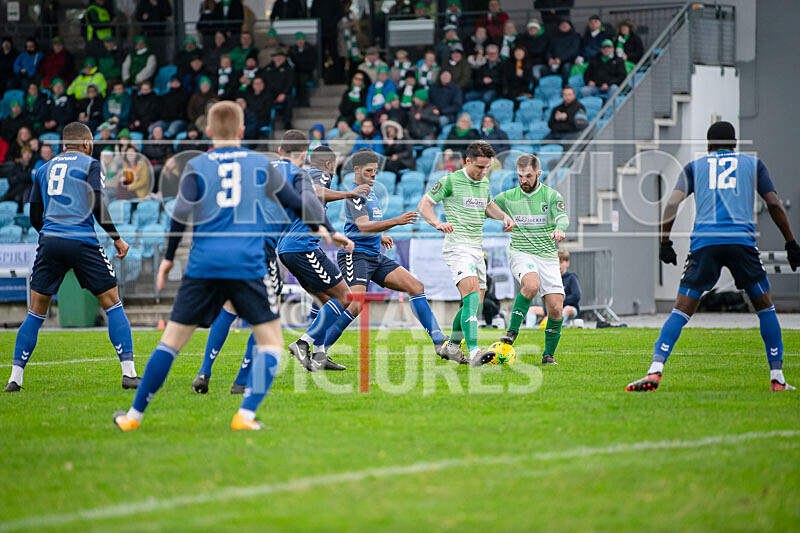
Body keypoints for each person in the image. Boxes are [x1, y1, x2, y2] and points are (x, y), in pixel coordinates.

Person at [112, 102, 326, 431]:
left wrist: (168, 258)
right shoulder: (260, 162)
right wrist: (327, 230)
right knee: (271, 342)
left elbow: (180, 213)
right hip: (246, 261)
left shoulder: (197, 164)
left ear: (209, 132)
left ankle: (133, 418)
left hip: (204, 264)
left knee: (170, 342)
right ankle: (246, 415)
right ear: (242, 131)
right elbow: (296, 202)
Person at [626, 121, 800, 393]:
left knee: (681, 309)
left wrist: (664, 242)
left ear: (709, 146)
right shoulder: (753, 165)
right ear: (735, 144)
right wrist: (791, 242)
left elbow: (672, 203)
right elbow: (774, 204)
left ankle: (655, 369)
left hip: (705, 243)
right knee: (765, 306)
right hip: (741, 242)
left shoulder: (695, 167)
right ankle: (777, 377)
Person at [4, 122, 138, 393]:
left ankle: (15, 378)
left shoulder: (43, 169)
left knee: (35, 311)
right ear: (87, 143)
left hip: (50, 240)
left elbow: (33, 215)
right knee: (112, 304)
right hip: (81, 241)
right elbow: (97, 204)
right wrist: (117, 238)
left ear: (64, 144)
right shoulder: (90, 165)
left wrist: (53, 236)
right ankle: (129, 373)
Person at [322, 148, 460, 361]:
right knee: (355, 304)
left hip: (373, 254)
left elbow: (370, 224)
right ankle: (320, 350)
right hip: (356, 254)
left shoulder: (371, 190)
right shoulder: (356, 194)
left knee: (415, 286)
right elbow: (363, 226)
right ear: (356, 170)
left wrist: (381, 235)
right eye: (369, 170)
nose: (374, 174)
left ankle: (438, 341)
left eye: (376, 170)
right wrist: (396, 221)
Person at [417, 140, 514, 366]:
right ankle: (473, 352)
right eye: (480, 167)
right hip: (457, 247)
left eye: (487, 167)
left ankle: (451, 346)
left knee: (475, 302)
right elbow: (424, 205)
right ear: (467, 161)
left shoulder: (484, 182)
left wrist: (504, 216)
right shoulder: (450, 181)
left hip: (476, 248)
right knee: (470, 294)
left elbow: (487, 205)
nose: (483, 172)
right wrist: (436, 223)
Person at [493, 154, 569, 365]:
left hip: (547, 255)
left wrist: (560, 229)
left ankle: (548, 355)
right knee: (532, 284)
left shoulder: (551, 195)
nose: (524, 180)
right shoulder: (509, 196)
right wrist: (502, 216)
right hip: (521, 251)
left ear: (538, 173)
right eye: (520, 176)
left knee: (555, 308)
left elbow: (562, 217)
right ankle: (512, 332)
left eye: (528, 176)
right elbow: (489, 207)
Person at [262, 48, 295, 129]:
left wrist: (283, 93)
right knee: (264, 99)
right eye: (276, 56)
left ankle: (287, 123)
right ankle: (265, 122)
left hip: (283, 94)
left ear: (284, 58)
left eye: (280, 56)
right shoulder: (267, 69)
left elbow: (290, 83)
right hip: (269, 94)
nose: (278, 58)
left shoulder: (288, 69)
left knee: (288, 100)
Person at [547, 19, 580, 83]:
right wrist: (549, 58)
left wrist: (560, 58)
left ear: (570, 27)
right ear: (559, 27)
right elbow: (548, 50)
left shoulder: (575, 36)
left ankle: (565, 88)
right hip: (554, 63)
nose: (564, 26)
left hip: (569, 62)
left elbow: (573, 50)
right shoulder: (554, 37)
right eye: (562, 25)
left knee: (566, 68)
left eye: (566, 25)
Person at [289, 32, 316, 107]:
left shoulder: (310, 50)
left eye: (302, 40)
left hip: (306, 73)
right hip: (295, 73)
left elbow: (312, 65)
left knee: (302, 81)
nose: (300, 42)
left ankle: (303, 102)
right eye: (298, 40)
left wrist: (300, 66)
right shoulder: (292, 50)